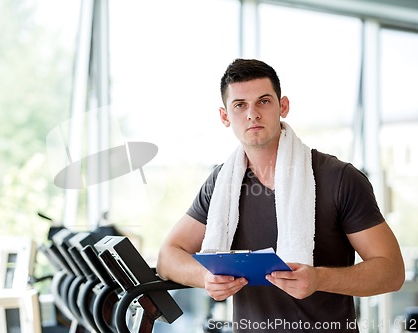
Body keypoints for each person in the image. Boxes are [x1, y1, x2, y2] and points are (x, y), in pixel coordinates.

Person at [156, 58, 405, 332]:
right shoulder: (220, 184)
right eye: (240, 105)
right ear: (225, 116)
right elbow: (168, 258)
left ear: (282, 106)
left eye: (263, 101)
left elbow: (391, 271)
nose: (252, 114)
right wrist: (206, 276)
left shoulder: (339, 178)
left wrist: (320, 279)